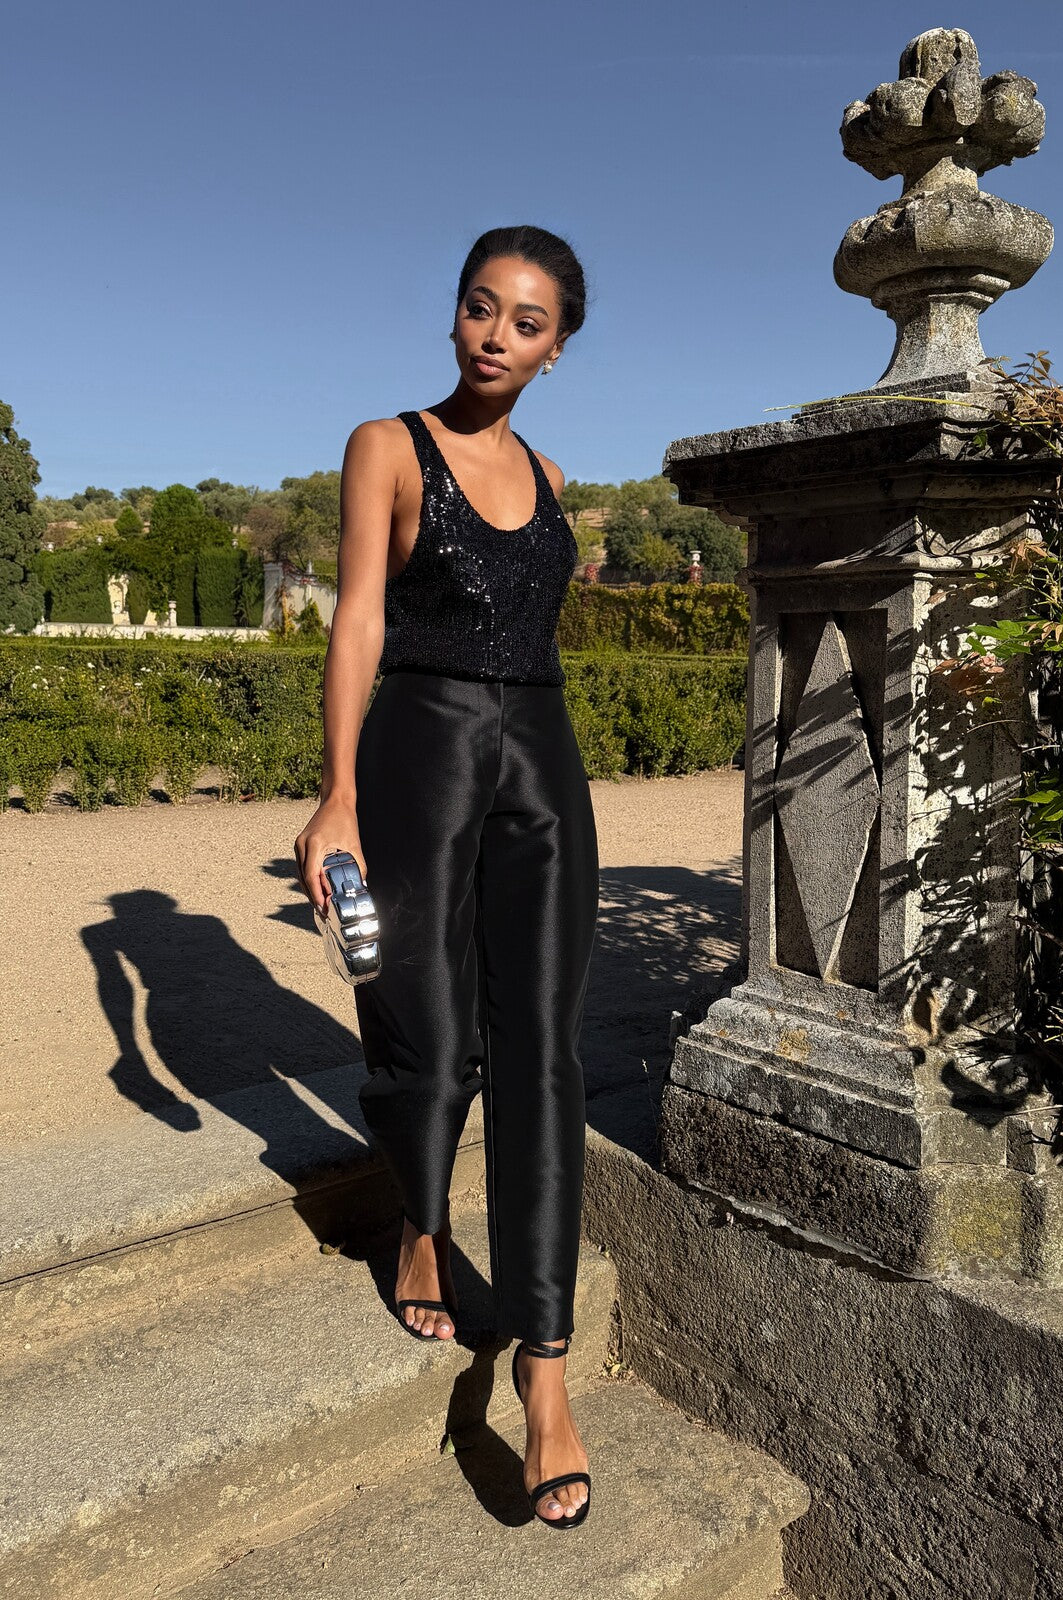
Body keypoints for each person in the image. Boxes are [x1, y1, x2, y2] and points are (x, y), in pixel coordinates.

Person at [294, 224, 599, 1529]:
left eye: (525, 321)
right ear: (458, 313)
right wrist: (338, 795)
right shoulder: (387, 445)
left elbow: (536, 629)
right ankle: (421, 1215)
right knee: (414, 1010)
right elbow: (362, 611)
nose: (494, 333)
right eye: (482, 306)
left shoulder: (555, 471)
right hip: (419, 755)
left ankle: (542, 1374)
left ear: (556, 348)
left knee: (540, 1054)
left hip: (542, 763)